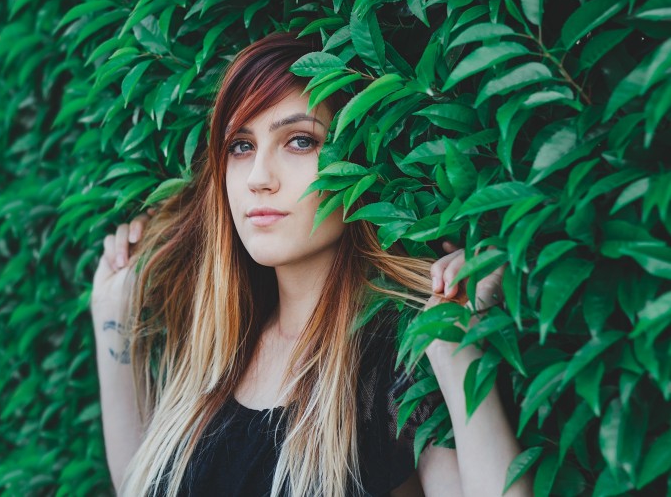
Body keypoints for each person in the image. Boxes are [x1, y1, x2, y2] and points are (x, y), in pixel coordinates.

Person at [90, 32, 530, 497]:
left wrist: (455, 348)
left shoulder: (395, 363)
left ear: (357, 165)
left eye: (299, 141)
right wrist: (111, 311)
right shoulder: (216, 345)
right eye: (241, 146)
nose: (259, 177)